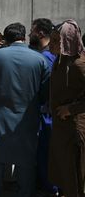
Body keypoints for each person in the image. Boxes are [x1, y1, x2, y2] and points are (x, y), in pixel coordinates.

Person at [0, 22, 50, 197]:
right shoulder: (39, 59)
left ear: (7, 38)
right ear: (24, 37)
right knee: (27, 160)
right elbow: (45, 94)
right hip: (28, 117)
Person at [48, 19, 85, 197]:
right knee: (62, 172)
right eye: (51, 40)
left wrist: (71, 108)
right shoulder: (59, 61)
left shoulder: (79, 64)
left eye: (56, 41)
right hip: (61, 129)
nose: (51, 45)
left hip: (75, 129)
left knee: (75, 173)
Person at [29, 18, 59, 195]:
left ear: (40, 33)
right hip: (51, 114)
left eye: (32, 31)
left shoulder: (45, 58)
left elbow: (44, 90)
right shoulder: (53, 55)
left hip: (46, 115)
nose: (29, 35)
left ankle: (50, 188)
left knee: (45, 155)